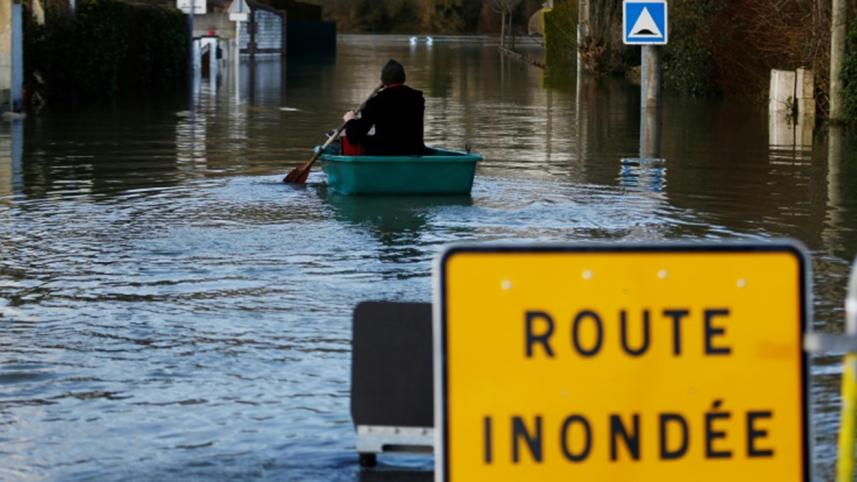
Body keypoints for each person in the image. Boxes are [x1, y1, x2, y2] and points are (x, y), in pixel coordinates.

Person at [343, 59, 426, 156]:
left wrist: (350, 120)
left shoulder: (377, 101)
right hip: (415, 151)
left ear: (382, 81)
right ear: (403, 78)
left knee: (362, 139)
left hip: (385, 152)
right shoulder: (417, 99)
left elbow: (354, 138)